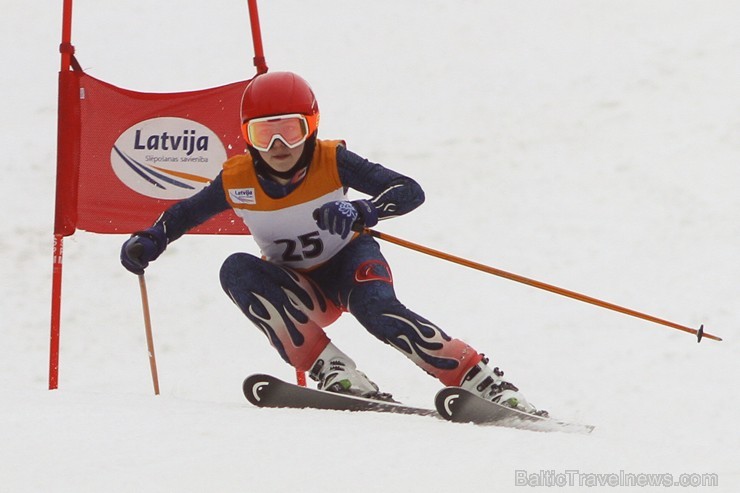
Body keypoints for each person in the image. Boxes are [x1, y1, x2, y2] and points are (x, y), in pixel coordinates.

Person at [120, 71, 541, 414]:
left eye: (290, 129)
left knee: (376, 310)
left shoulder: (331, 159)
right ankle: (336, 371)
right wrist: (152, 239)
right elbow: (183, 214)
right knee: (235, 268)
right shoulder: (237, 179)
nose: (280, 146)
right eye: (265, 134)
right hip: (299, 288)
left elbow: (409, 190)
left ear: (311, 127)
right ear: (247, 136)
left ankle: (482, 380)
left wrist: (363, 211)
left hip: (349, 264)